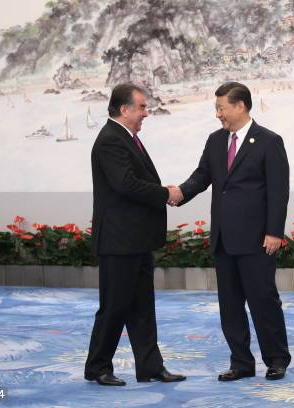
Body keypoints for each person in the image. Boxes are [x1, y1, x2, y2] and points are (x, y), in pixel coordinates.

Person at [168, 82, 291, 381]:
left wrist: (274, 232)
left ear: (240, 106)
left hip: (257, 239)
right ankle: (241, 363)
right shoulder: (214, 141)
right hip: (224, 238)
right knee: (230, 305)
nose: (218, 114)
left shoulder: (269, 141)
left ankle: (276, 359)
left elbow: (278, 191)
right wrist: (179, 193)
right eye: (216, 108)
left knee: (263, 301)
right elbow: (203, 176)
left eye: (221, 108)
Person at [84, 83, 185, 386]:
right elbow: (125, 184)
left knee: (142, 306)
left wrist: (159, 191)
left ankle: (150, 366)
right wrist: (164, 193)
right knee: (115, 306)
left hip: (135, 240)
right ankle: (98, 367)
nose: (146, 113)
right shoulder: (110, 141)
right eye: (142, 107)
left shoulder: (125, 138)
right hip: (119, 241)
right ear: (124, 109)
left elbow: (132, 182)